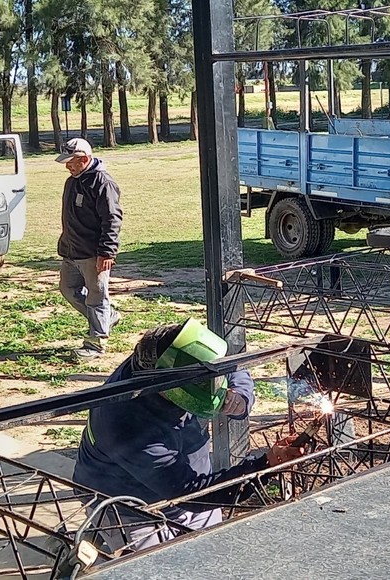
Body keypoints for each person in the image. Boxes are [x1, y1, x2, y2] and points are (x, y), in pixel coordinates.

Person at [72, 318, 307, 553]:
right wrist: (265, 465)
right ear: (170, 386)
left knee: (211, 554)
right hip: (126, 504)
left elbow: (234, 367)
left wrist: (241, 396)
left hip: (181, 483)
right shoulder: (127, 423)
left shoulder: (168, 354)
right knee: (154, 568)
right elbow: (191, 493)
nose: (218, 387)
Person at [56, 137, 123, 359]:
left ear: (84, 159)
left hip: (94, 254)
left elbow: (112, 219)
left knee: (96, 296)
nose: (67, 165)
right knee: (68, 290)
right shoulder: (72, 180)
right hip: (71, 251)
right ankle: (107, 317)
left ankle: (96, 343)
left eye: (71, 161)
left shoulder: (103, 183)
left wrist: (106, 252)